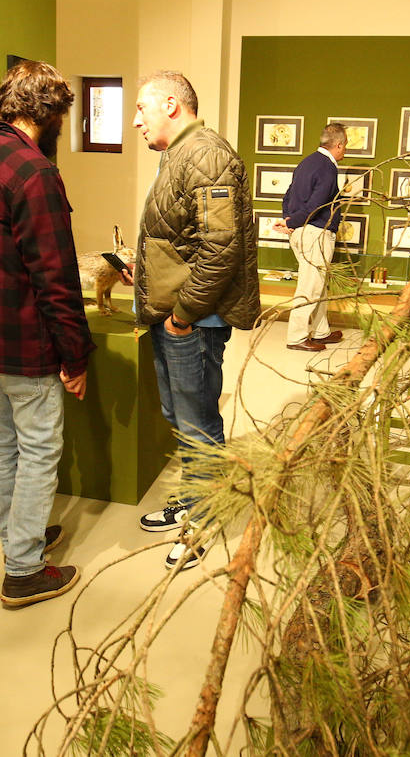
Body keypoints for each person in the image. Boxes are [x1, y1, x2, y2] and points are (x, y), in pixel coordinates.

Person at [0, 61, 93, 607]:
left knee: (5, 443)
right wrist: (76, 356)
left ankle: (17, 539)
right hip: (28, 344)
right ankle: (25, 569)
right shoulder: (34, 172)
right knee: (37, 449)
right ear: (50, 113)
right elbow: (55, 276)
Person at [123, 70, 260, 569]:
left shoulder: (204, 155)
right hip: (177, 316)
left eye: (142, 108)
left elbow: (221, 251)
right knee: (180, 419)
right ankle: (195, 501)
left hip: (193, 321)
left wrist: (182, 316)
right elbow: (187, 240)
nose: (136, 121)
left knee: (197, 422)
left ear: (172, 104)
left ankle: (201, 521)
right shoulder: (180, 155)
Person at [275, 123, 348, 352]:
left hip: (301, 232)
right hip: (316, 233)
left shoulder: (306, 162)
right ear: (338, 144)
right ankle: (296, 337)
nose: (344, 151)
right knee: (310, 287)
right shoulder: (328, 167)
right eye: (345, 147)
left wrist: (289, 220)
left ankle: (320, 331)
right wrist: (292, 222)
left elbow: (288, 196)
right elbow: (317, 205)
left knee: (318, 284)